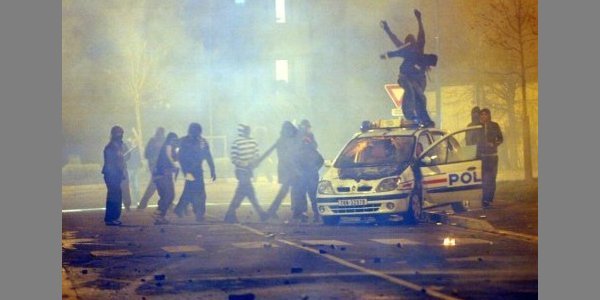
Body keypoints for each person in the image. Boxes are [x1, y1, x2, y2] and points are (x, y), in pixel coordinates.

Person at [380, 9, 436, 128]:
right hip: (406, 77)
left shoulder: (419, 47)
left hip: (419, 79)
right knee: (410, 91)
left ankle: (424, 118)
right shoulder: (405, 50)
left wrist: (419, 19)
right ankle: (410, 115)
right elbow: (394, 39)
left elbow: (421, 34)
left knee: (420, 96)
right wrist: (387, 29)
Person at [224, 124, 268, 223]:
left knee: (245, 192)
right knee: (247, 192)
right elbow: (234, 158)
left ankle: (230, 213)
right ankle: (260, 213)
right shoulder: (237, 142)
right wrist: (244, 163)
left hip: (248, 171)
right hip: (241, 171)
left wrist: (254, 162)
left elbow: (256, 155)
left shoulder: (253, 142)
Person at [174, 123, 216, 222]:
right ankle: (198, 213)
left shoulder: (189, 141)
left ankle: (181, 208)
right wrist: (212, 169)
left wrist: (212, 169)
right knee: (199, 192)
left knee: (190, 190)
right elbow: (207, 156)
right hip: (192, 170)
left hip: (193, 170)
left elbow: (207, 155)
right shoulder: (189, 141)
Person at [265, 121, 302, 221]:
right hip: (288, 169)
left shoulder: (282, 140)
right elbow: (287, 157)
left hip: (286, 168)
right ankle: (297, 212)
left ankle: (272, 211)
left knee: (285, 191)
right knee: (294, 190)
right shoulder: (284, 141)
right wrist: (295, 170)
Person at [292, 119, 324, 223]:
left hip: (308, 174)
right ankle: (311, 214)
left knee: (309, 195)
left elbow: (320, 160)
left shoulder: (308, 150)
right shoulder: (307, 150)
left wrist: (301, 171)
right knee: (307, 195)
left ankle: (311, 214)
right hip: (308, 174)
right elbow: (320, 160)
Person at [476, 108, 503, 208]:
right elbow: (472, 141)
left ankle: (489, 199)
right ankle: (484, 200)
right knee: (483, 179)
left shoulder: (494, 125)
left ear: (489, 115)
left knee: (492, 178)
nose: (484, 116)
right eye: (482, 115)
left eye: (485, 114)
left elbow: (500, 139)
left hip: (492, 156)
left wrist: (494, 144)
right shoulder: (477, 127)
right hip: (482, 157)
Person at [101, 126, 128, 226]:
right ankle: (111, 218)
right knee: (114, 196)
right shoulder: (111, 147)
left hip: (116, 174)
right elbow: (112, 162)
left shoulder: (118, 146)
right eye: (119, 133)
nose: (120, 136)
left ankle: (113, 218)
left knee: (116, 195)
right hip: (111, 174)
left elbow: (125, 157)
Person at [153, 132, 179, 225]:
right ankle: (160, 215)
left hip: (163, 175)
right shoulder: (168, 146)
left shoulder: (171, 148)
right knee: (168, 195)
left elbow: (175, 158)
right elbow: (169, 157)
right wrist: (174, 165)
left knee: (168, 195)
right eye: (173, 140)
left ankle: (160, 214)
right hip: (162, 174)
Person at [137, 127, 165, 209]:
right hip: (159, 166)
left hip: (155, 166)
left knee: (159, 184)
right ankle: (143, 203)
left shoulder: (152, 141)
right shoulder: (162, 141)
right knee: (155, 185)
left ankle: (164, 202)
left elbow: (146, 154)